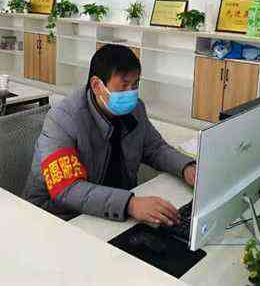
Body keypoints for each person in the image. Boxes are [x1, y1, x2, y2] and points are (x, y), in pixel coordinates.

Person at [23, 44, 196, 226]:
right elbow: (67, 189)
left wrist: (186, 168)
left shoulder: (135, 110)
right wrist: (130, 204)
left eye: (135, 84)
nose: (131, 93)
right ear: (97, 85)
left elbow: (155, 148)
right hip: (57, 216)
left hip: (112, 210)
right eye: (123, 86)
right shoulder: (63, 119)